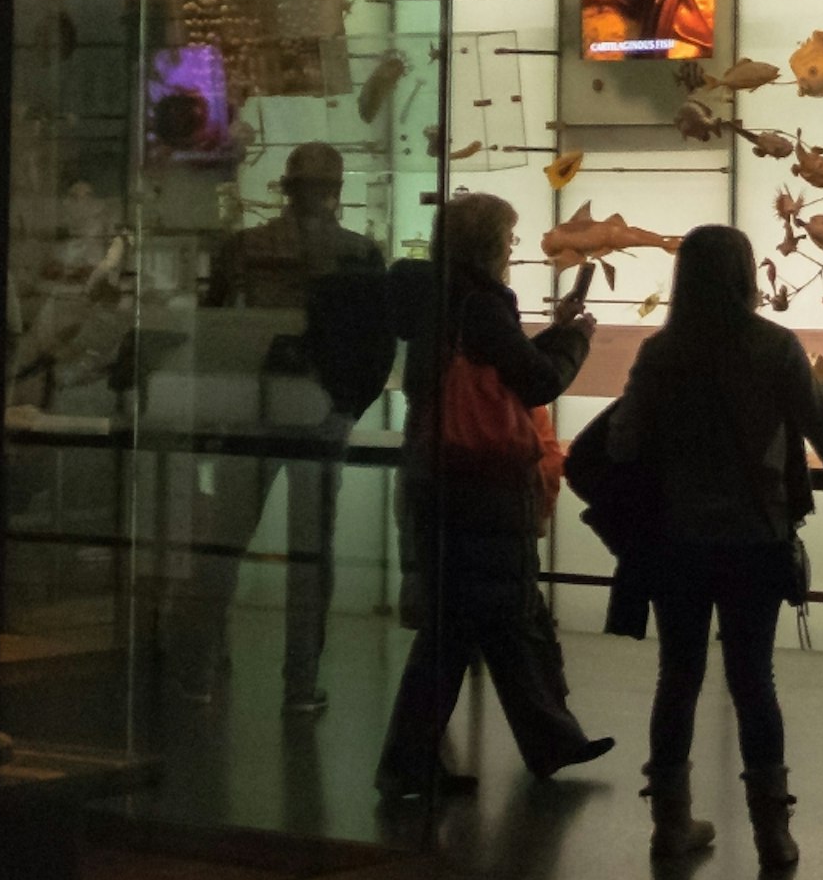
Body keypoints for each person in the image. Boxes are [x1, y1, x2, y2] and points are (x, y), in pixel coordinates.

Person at [600, 224, 823, 865]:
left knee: (677, 677)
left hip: (676, 538)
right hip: (754, 537)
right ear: (744, 276)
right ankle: (772, 831)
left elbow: (624, 442)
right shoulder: (773, 348)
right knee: (752, 679)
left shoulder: (662, 353)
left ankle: (670, 825)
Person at [374, 191, 614, 797]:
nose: (513, 250)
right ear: (487, 244)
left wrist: (548, 334)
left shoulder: (436, 298)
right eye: (507, 239)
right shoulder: (482, 304)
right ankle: (530, 744)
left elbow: (493, 370)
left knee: (463, 623)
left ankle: (529, 744)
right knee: (495, 616)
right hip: (483, 483)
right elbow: (536, 381)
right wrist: (574, 338)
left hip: (437, 474)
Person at [168, 141, 397, 712]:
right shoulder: (359, 254)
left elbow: (213, 332)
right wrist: (347, 407)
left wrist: (216, 406)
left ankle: (196, 676)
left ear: (287, 189)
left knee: (221, 547)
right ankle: (298, 685)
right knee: (309, 554)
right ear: (336, 192)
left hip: (248, 411)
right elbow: (378, 346)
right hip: (319, 416)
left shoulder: (242, 248)